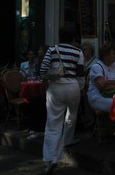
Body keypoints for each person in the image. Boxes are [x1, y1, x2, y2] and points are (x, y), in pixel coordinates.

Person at [39, 27, 84, 175]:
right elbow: (80, 73)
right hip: (73, 87)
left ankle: (51, 158)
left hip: (56, 88)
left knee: (53, 123)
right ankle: (67, 141)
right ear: (72, 38)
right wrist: (81, 87)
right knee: (71, 115)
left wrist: (47, 80)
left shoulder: (52, 50)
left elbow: (43, 69)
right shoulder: (78, 51)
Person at [86, 43, 115, 148]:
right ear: (105, 56)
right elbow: (101, 87)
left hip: (112, 94)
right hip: (97, 97)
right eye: (113, 53)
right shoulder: (96, 67)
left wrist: (107, 82)